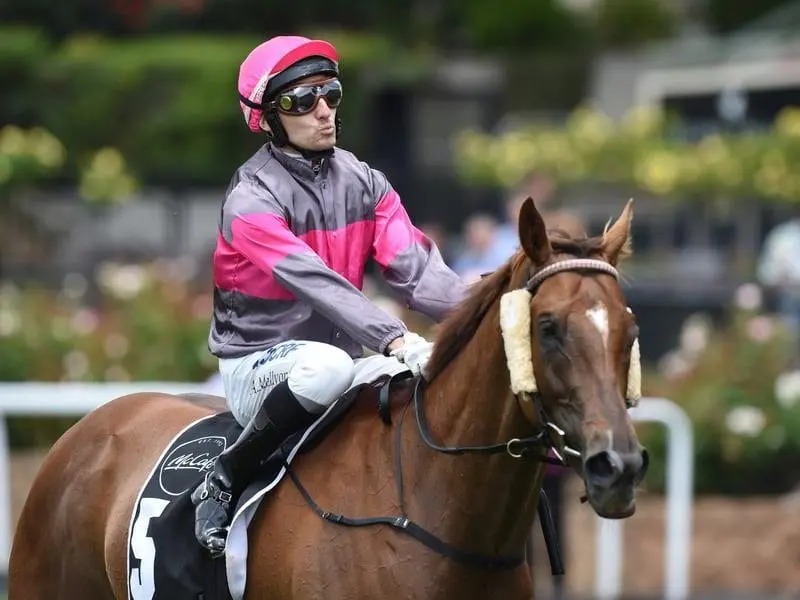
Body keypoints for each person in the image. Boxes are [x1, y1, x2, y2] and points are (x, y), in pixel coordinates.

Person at [191, 35, 468, 555]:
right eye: (301, 101)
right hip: (257, 367)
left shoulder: (366, 181)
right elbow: (316, 283)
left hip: (342, 360)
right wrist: (394, 338)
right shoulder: (250, 198)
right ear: (268, 116)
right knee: (328, 367)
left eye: (331, 95)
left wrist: (497, 305)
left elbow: (419, 273)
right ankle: (224, 476)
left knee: (422, 386)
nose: (324, 112)